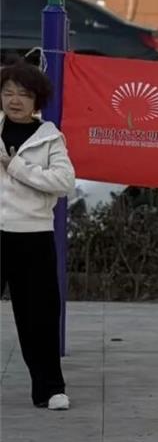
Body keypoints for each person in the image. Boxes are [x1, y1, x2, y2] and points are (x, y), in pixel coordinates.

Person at [0, 60, 75, 410]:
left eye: (23, 94)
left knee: (39, 317)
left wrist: (16, 166)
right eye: (7, 92)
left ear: (36, 100)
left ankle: (49, 389)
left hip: (32, 236)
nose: (14, 100)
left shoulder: (49, 137)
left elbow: (63, 182)